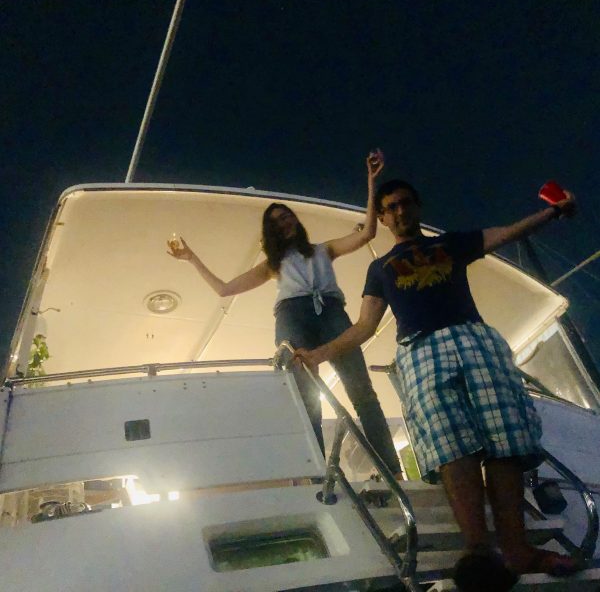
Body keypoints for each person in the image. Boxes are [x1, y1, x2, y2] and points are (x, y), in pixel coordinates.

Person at [294, 178, 581, 585]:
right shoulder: (380, 268)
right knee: (451, 445)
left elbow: (506, 233)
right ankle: (477, 550)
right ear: (382, 218)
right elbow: (364, 326)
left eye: (405, 203)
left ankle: (517, 550)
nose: (399, 211)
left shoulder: (451, 244)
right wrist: (318, 354)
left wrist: (552, 212)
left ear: (417, 207)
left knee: (507, 439)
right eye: (390, 207)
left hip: (473, 336)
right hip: (419, 348)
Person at [167, 151, 402, 478]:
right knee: (306, 399)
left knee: (363, 393)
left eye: (287, 216)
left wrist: (371, 182)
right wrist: (192, 258)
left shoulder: (324, 249)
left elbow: (366, 235)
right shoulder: (273, 266)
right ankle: (316, 476)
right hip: (293, 314)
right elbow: (224, 289)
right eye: (276, 222)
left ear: (295, 220)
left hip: (331, 312)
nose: (284, 223)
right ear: (272, 232)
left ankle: (392, 471)